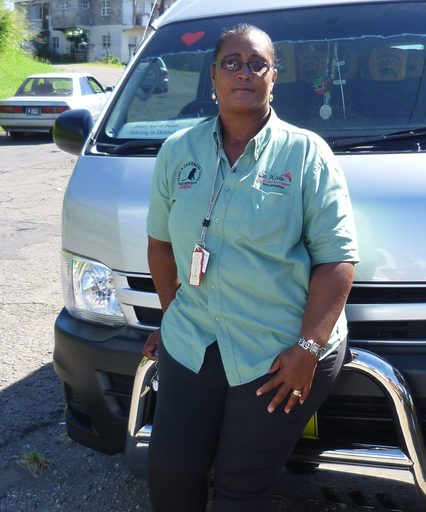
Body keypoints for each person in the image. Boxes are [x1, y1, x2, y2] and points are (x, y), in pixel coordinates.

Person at [142, 23, 359, 512]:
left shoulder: (306, 155)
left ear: (273, 78)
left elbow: (337, 261)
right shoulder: (178, 152)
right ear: (213, 75)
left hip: (279, 349)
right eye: (232, 63)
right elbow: (159, 246)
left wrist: (307, 348)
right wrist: (174, 313)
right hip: (194, 339)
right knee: (170, 475)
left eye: (257, 63)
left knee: (241, 486)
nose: (245, 72)